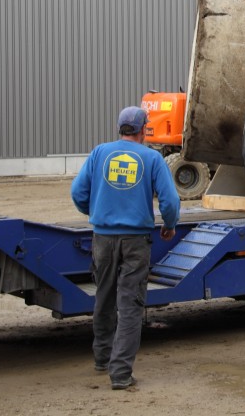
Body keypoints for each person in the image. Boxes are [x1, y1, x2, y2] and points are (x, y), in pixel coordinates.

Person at [71, 106, 181, 390]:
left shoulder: (99, 153)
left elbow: (78, 192)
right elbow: (170, 200)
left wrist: (95, 212)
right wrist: (169, 224)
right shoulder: (152, 158)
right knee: (130, 304)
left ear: (120, 128)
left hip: (103, 239)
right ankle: (120, 374)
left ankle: (102, 358)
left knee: (104, 297)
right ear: (143, 129)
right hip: (136, 241)